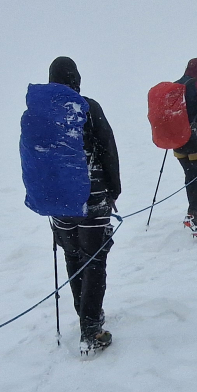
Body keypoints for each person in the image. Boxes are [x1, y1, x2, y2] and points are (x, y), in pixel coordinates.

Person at [44, 57, 121, 353]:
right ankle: (91, 328)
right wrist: (113, 189)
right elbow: (107, 148)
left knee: (73, 256)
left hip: (58, 201)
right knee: (94, 259)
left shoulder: (41, 112)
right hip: (92, 196)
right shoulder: (88, 107)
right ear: (76, 79)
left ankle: (85, 316)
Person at [172, 57, 197, 230]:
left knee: (190, 176)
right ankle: (193, 212)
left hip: (177, 141)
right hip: (193, 139)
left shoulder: (176, 85)